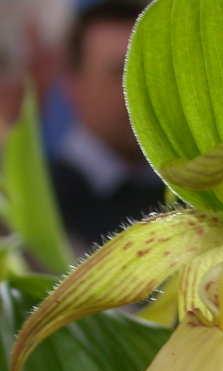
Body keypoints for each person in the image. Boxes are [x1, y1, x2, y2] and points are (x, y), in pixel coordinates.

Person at [51, 1, 165, 249]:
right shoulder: (41, 203)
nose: (139, 93)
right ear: (73, 85)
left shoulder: (192, 199)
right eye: (120, 73)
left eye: (151, 75)